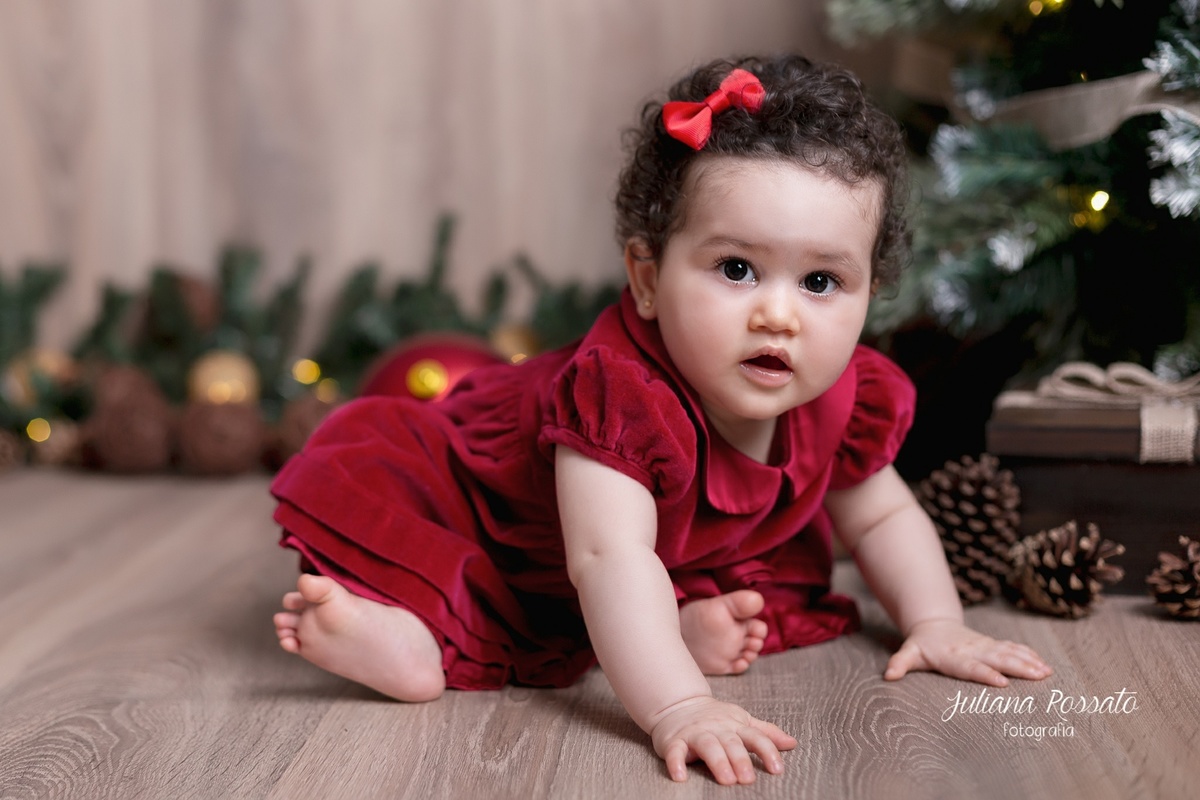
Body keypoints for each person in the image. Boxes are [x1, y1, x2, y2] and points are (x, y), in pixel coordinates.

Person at [271, 54, 1052, 786]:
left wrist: (937, 622)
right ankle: (396, 628)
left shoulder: (836, 393)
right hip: (485, 511)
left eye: (821, 281)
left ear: (870, 295)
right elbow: (608, 560)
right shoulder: (620, 398)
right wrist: (681, 704)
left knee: (713, 599)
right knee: (427, 533)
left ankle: (655, 632)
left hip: (632, 566)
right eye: (736, 270)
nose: (778, 315)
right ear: (647, 279)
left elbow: (881, 515)